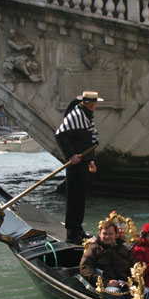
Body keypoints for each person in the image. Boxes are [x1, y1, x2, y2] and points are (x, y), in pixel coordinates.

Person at [55, 90, 103, 244]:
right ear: (90, 104)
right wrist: (71, 155)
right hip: (75, 163)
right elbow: (60, 135)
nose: (95, 105)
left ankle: (78, 229)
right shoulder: (77, 115)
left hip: (83, 161)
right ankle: (71, 232)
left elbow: (88, 140)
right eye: (94, 103)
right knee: (74, 197)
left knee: (80, 196)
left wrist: (91, 160)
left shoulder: (87, 115)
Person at [80, 219, 149, 299]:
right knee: (115, 293)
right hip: (107, 286)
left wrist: (130, 282)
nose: (107, 236)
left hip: (126, 284)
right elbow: (85, 268)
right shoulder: (93, 249)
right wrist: (106, 282)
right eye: (104, 234)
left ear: (115, 235)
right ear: (100, 234)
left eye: (110, 234)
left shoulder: (123, 249)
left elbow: (135, 266)